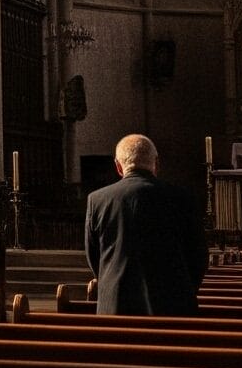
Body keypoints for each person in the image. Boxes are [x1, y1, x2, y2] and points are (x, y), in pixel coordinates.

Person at [82, 133, 205, 315]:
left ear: (118, 166)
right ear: (156, 163)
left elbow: (94, 255)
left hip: (116, 305)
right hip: (173, 304)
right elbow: (198, 255)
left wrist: (110, 283)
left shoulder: (98, 200)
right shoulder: (182, 198)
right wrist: (183, 289)